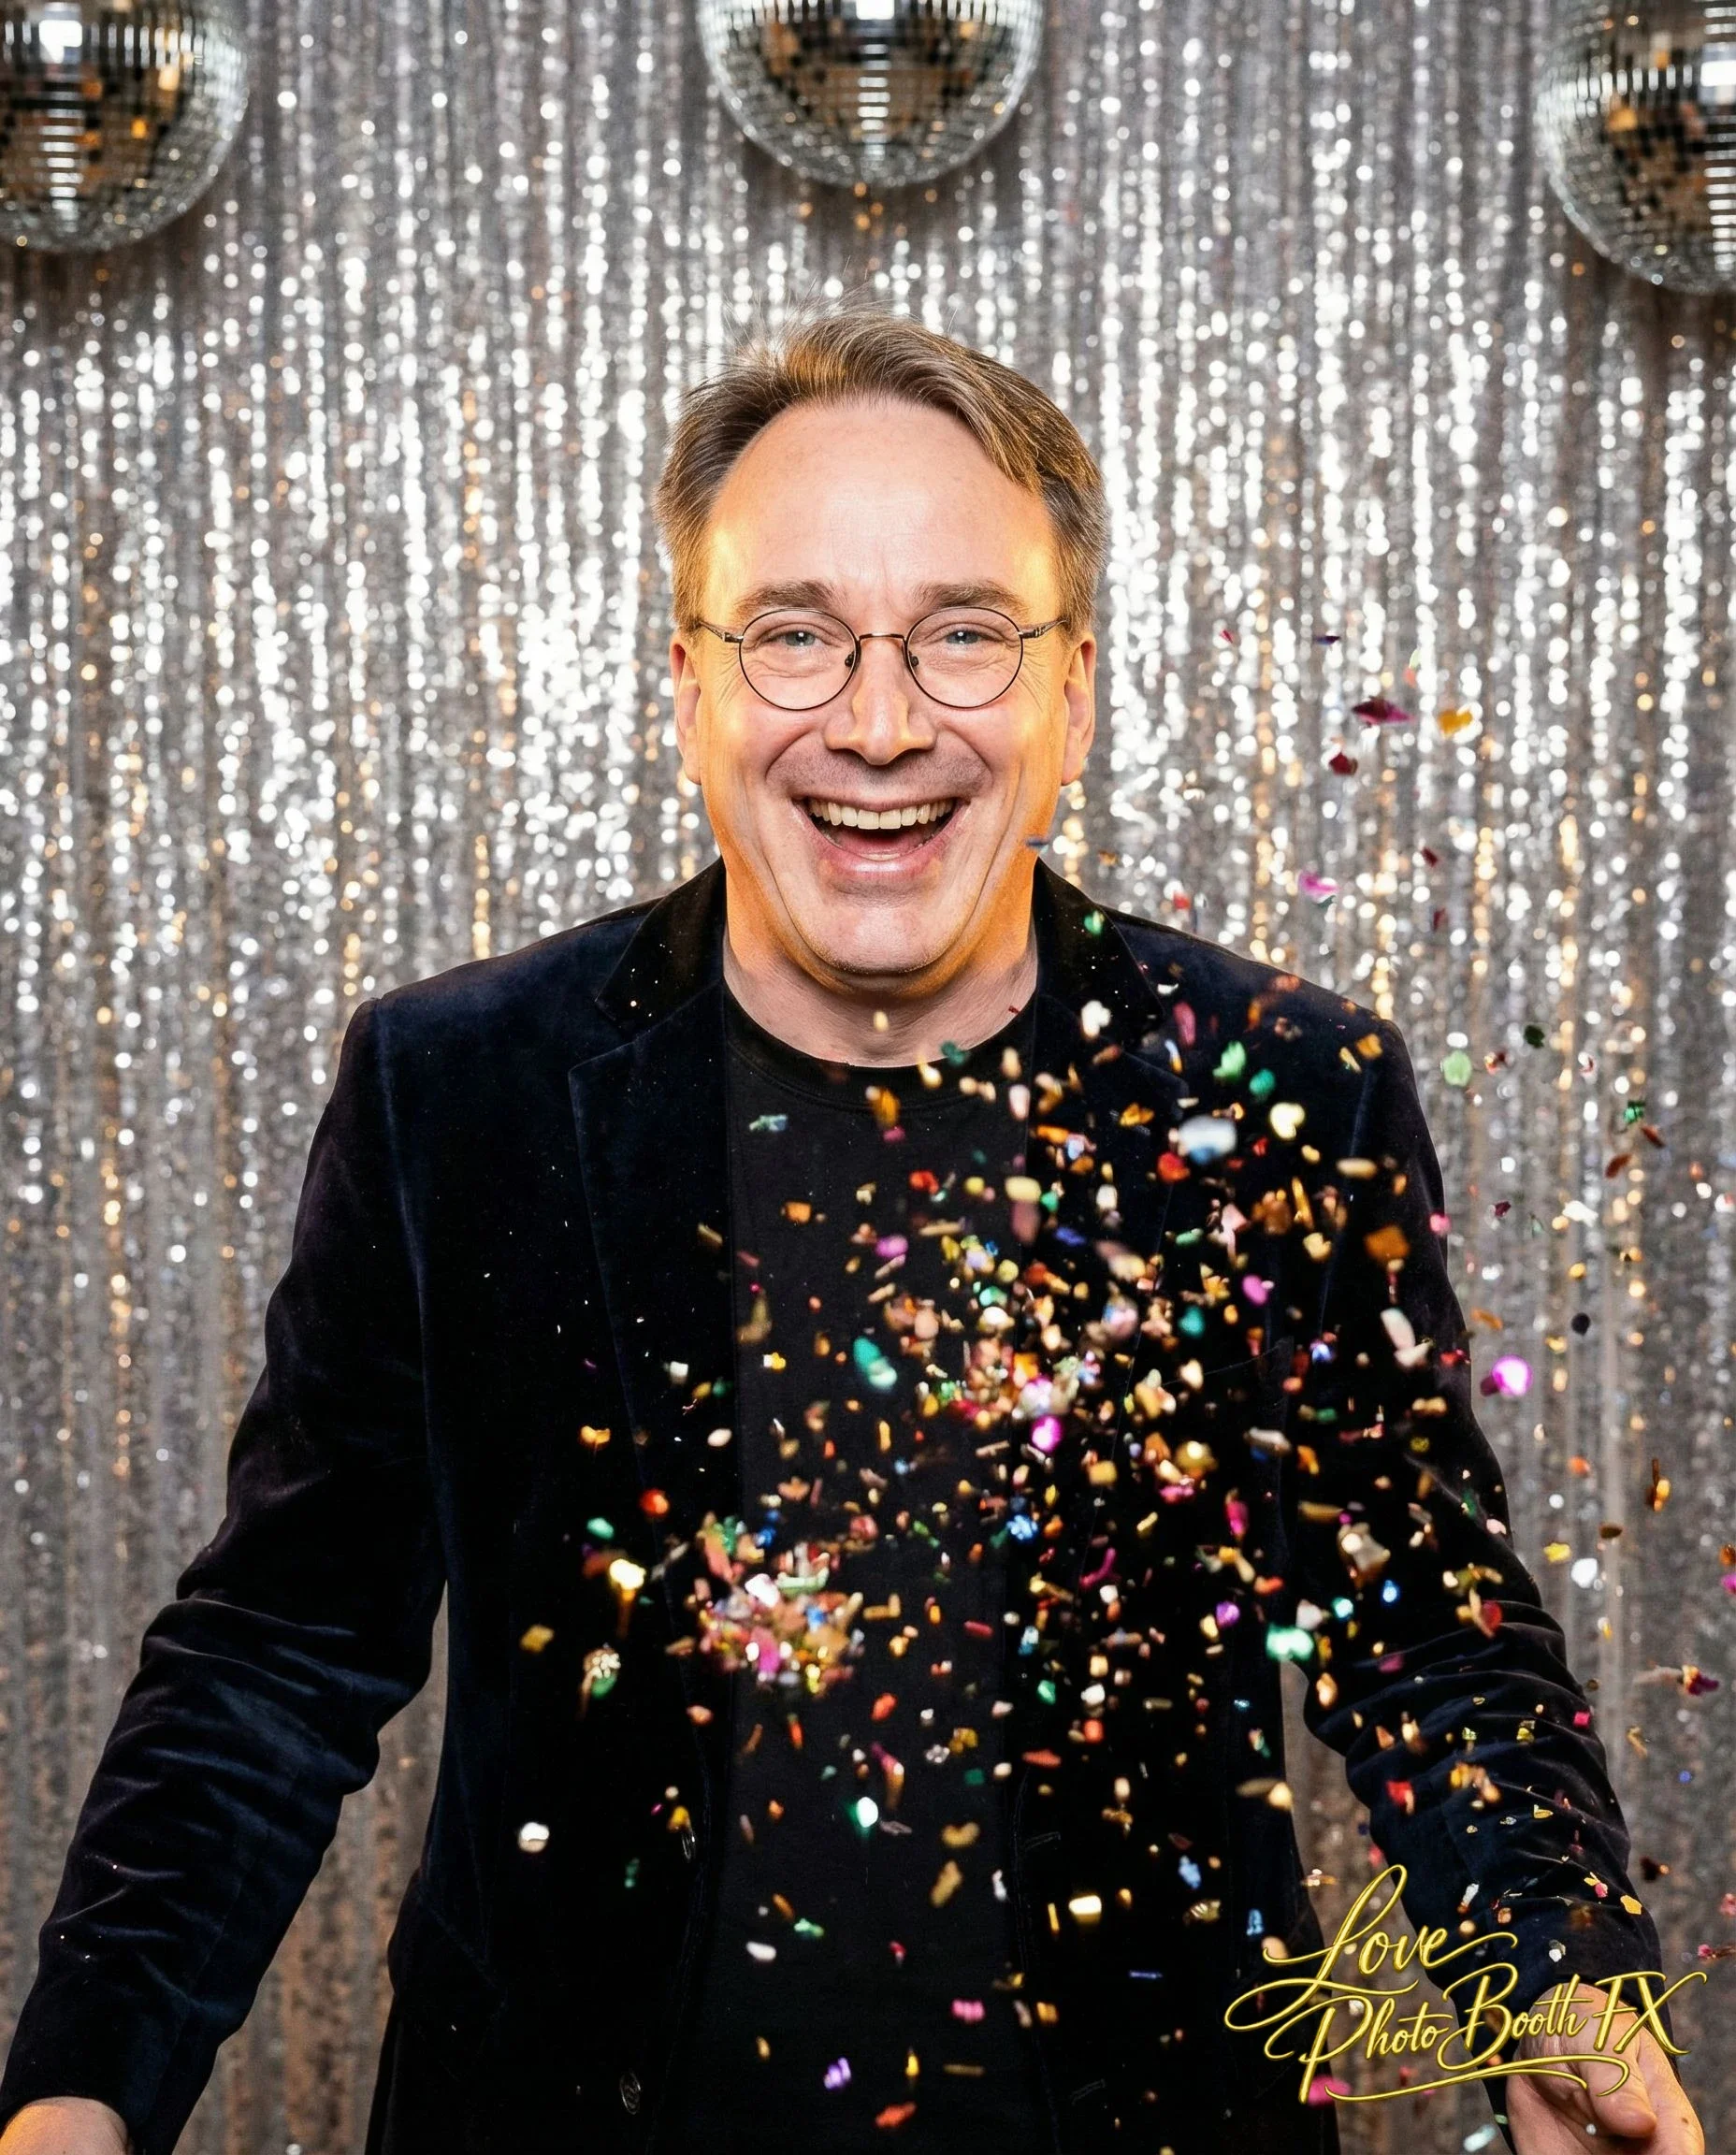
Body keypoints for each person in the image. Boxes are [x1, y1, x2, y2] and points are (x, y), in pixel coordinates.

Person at [0, 310, 1704, 2155]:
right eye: (795, 635)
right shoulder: (459, 1088)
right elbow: (278, 1649)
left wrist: (1554, 1981)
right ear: (692, 689)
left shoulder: (1283, 1088)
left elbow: (1421, 1626)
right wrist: (84, 2084)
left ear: (1070, 696)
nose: (879, 725)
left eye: (963, 634)